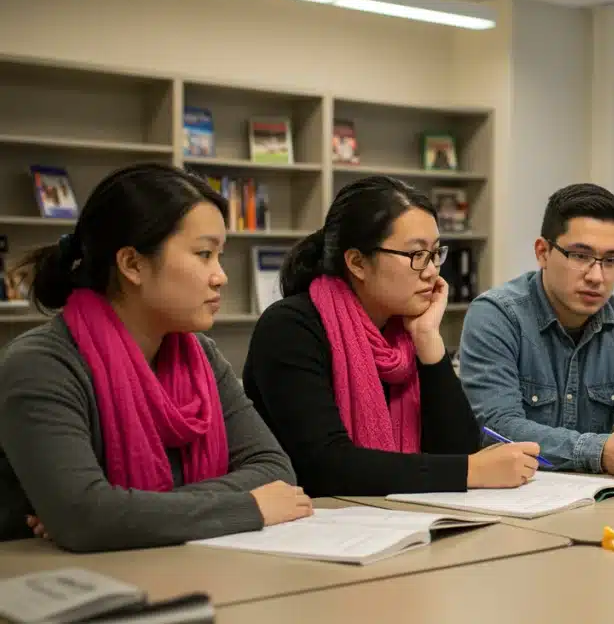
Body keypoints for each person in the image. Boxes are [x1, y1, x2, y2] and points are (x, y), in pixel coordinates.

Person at [0, 163, 307, 552]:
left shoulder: (201, 358)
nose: (220, 276)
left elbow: (275, 471)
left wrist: (123, 513)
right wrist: (248, 507)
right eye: (203, 254)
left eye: (219, 256)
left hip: (177, 563)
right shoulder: (41, 365)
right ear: (132, 264)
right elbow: (85, 518)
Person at [242, 176, 540, 497]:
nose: (431, 271)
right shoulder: (290, 328)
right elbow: (324, 465)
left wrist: (428, 339)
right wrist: (469, 471)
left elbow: (458, 448)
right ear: (357, 262)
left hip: (397, 519)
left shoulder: (403, 331)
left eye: (435, 253)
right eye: (416, 255)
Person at [458, 183, 614, 476]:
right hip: (518, 495)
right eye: (580, 256)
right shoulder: (496, 315)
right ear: (543, 252)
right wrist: (598, 452)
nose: (597, 276)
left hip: (607, 498)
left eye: (611, 261)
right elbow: (498, 428)